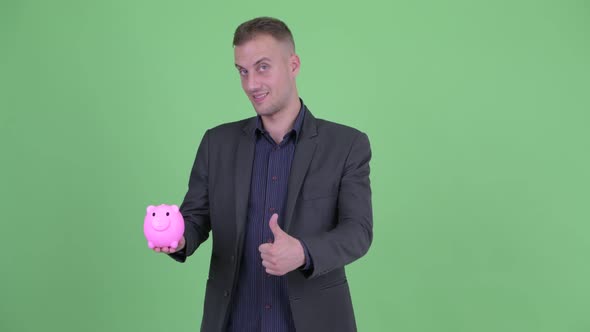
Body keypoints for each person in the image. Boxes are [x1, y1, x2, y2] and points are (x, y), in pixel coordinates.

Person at [152, 16, 373, 332]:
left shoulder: (346, 145)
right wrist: (177, 235)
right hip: (233, 321)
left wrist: (303, 252)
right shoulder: (217, 143)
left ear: (293, 64)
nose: (251, 84)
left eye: (263, 67)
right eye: (243, 71)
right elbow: (196, 217)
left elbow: (358, 231)